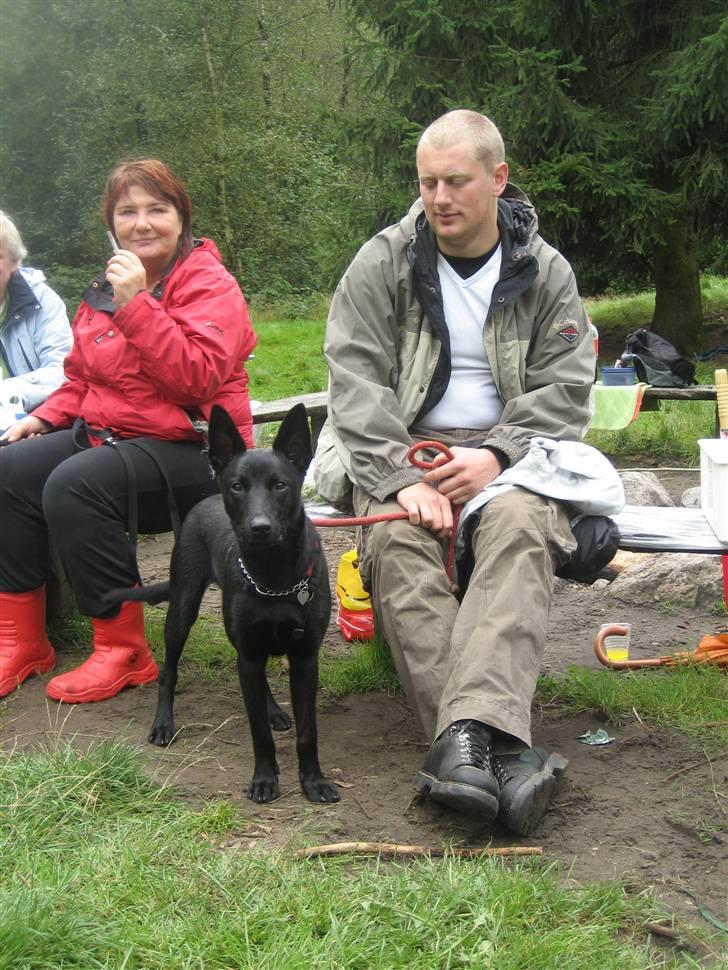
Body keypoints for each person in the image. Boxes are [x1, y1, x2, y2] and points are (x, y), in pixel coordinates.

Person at [314, 110, 596, 836]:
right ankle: (500, 752)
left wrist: (497, 456)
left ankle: (462, 755)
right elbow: (353, 383)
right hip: (402, 449)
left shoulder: (546, 271)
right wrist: (402, 477)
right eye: (427, 182)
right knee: (403, 543)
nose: (439, 198)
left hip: (508, 455)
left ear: (497, 180)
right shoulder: (382, 262)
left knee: (521, 524)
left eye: (456, 181)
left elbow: (565, 388)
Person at [0, 159, 256, 704]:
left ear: (181, 218)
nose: (141, 223)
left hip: (195, 451)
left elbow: (197, 375)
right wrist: (46, 415)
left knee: (75, 483)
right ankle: (21, 639)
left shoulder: (211, 284)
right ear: (111, 223)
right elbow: (81, 375)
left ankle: (123, 649)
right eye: (127, 211)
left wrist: (138, 305)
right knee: (9, 470)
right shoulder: (105, 284)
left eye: (156, 210)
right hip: (111, 434)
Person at [0, 211, 72, 428]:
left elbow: (64, 370)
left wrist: (8, 392)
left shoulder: (41, 301)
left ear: (15, 262)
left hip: (35, 419)